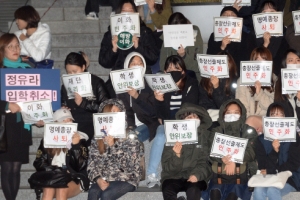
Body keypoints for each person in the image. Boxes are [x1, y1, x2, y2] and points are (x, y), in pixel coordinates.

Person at [145, 55, 199, 187]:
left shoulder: (191, 83)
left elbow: (190, 107)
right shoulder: (161, 86)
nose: (172, 71)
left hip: (185, 122)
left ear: (183, 71)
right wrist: (160, 100)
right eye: (169, 69)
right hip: (167, 122)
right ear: (164, 72)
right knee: (160, 135)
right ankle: (152, 174)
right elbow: (161, 116)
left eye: (176, 68)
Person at [99, 0, 159, 97]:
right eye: (124, 11)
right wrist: (113, 49)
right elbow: (103, 62)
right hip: (119, 78)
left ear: (136, 14)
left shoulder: (145, 32)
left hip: (141, 78)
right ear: (118, 14)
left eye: (130, 10)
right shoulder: (111, 34)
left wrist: (138, 46)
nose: (127, 13)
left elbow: (153, 58)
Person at [87, 98, 143, 200]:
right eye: (113, 112)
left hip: (127, 178)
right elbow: (92, 164)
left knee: (106, 195)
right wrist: (98, 179)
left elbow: (130, 165)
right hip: (105, 177)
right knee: (93, 192)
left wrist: (113, 146)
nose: (115, 116)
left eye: (118, 113)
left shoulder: (130, 135)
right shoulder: (97, 138)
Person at [31, 108, 89, 200]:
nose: (67, 123)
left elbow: (81, 166)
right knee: (48, 189)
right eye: (63, 120)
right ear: (55, 124)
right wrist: (55, 170)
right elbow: (39, 162)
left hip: (74, 178)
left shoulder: (80, 139)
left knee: (61, 189)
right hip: (52, 176)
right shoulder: (47, 140)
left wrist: (76, 147)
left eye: (69, 120)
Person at [0, 33, 32, 200]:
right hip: (5, 126)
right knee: (6, 167)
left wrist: (40, 115)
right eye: (10, 46)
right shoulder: (1, 71)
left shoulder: (30, 70)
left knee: (16, 168)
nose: (15, 49)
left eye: (17, 46)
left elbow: (39, 97)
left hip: (23, 125)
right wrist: (6, 105)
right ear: (2, 50)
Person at [205, 99, 257, 200]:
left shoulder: (249, 131)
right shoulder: (216, 130)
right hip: (219, 173)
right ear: (223, 114)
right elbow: (210, 151)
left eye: (236, 112)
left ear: (242, 114)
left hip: (242, 173)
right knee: (214, 193)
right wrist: (222, 159)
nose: (232, 115)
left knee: (233, 194)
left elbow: (251, 153)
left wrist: (233, 160)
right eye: (228, 112)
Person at [161, 103, 212, 200]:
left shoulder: (206, 137)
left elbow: (206, 162)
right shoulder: (172, 137)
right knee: (168, 190)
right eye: (189, 116)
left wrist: (197, 175)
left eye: (196, 116)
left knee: (193, 190)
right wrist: (177, 155)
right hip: (173, 176)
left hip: (195, 175)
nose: (193, 118)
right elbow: (167, 167)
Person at [253, 102, 300, 200]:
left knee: (272, 190)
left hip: (290, 178)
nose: (277, 118)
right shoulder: (261, 140)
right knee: (258, 190)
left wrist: (274, 170)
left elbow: (294, 164)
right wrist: (274, 151)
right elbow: (262, 166)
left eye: (281, 115)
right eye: (273, 115)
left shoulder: (294, 137)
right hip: (268, 177)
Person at [61, 52, 109, 145]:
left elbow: (106, 108)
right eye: (68, 72)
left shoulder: (96, 83)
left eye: (75, 71)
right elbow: (62, 103)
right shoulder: (65, 86)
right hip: (73, 125)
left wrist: (84, 104)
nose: (72, 75)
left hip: (93, 125)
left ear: (83, 67)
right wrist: (64, 109)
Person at [117, 52, 160, 142]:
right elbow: (126, 110)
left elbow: (153, 112)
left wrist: (137, 96)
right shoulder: (122, 84)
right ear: (127, 66)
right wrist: (130, 126)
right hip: (129, 125)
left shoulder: (150, 83)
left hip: (147, 123)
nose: (137, 65)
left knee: (132, 139)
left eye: (140, 63)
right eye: (133, 63)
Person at [207, 6, 256, 76]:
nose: (228, 17)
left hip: (240, 75)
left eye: (232, 15)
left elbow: (251, 59)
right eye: (225, 15)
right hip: (219, 74)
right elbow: (210, 59)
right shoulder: (214, 36)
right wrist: (222, 47)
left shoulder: (247, 36)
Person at [159, 12, 203, 80]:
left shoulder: (195, 34)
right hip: (172, 77)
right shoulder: (167, 36)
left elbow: (198, 67)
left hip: (192, 77)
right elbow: (162, 66)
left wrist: (184, 56)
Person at [198, 51, 238, 123]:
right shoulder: (205, 80)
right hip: (209, 116)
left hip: (228, 116)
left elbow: (227, 106)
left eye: (226, 63)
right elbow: (202, 103)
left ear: (230, 64)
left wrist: (217, 87)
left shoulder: (235, 81)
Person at [236, 47, 276, 117]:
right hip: (248, 121)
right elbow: (241, 106)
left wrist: (259, 93)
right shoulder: (243, 79)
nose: (260, 63)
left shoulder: (275, 80)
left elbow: (272, 107)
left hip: (267, 120)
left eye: (264, 60)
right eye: (257, 60)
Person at [256, 1, 290, 76]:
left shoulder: (285, 34)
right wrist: (265, 44)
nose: (268, 16)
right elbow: (254, 60)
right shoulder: (254, 36)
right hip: (260, 74)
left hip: (278, 77)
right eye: (264, 12)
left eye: (272, 11)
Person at [274, 49, 300, 122]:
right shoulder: (278, 83)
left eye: (298, 60)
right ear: (285, 64)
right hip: (286, 127)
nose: (295, 63)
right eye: (291, 60)